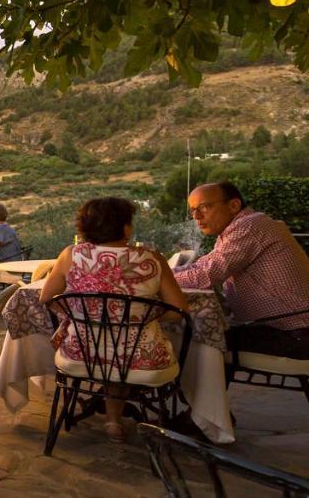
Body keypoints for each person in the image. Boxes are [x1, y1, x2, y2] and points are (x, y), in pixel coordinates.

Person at [40, 196, 189, 443]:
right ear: (126, 227)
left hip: (80, 355)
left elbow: (47, 297)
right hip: (144, 361)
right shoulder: (152, 259)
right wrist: (139, 318)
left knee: (109, 352)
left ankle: (111, 420)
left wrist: (80, 314)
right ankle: (116, 421)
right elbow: (179, 310)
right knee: (122, 353)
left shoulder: (70, 255)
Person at [173, 181, 309, 359]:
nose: (196, 216)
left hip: (296, 334)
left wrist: (155, 276)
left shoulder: (249, 227)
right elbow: (203, 265)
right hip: (282, 328)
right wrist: (164, 273)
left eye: (205, 207)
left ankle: (201, 387)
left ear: (234, 205)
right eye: (193, 210)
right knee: (200, 334)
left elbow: (206, 274)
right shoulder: (233, 231)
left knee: (195, 339)